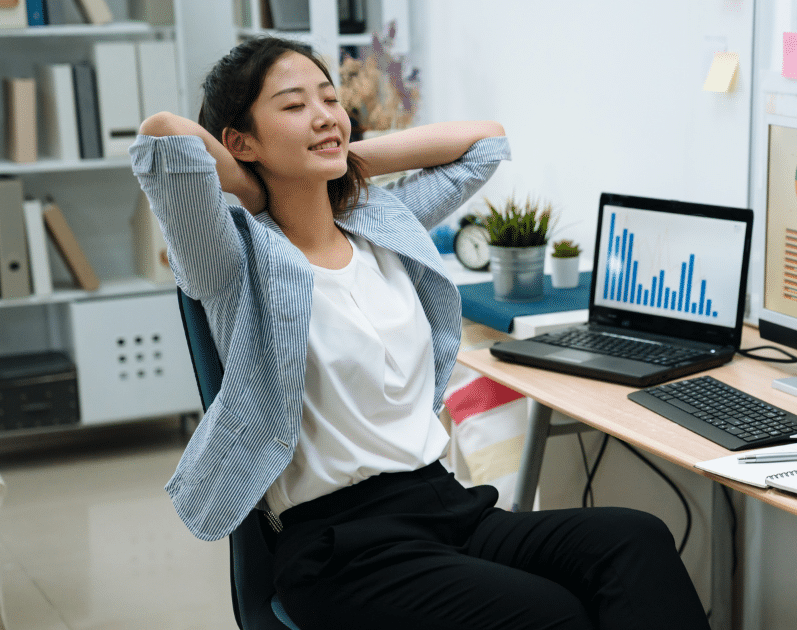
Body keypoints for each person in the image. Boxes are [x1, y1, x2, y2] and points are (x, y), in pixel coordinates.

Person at [132, 37, 711, 630]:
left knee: (634, 539)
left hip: (449, 507)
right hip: (342, 549)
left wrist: (338, 160)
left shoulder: (381, 224)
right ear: (239, 142)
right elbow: (164, 134)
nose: (326, 116)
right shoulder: (235, 259)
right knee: (552, 615)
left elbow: (485, 143)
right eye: (293, 105)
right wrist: (258, 192)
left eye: (329, 100)